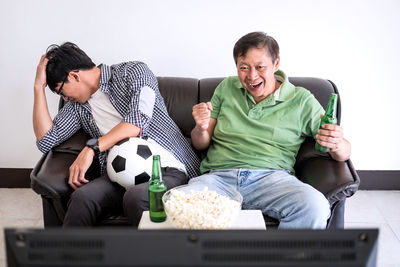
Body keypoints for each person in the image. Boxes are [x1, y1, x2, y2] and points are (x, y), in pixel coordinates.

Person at [190, 32, 351, 229]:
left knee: (315, 206)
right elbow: (201, 142)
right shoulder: (226, 88)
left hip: (272, 180)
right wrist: (201, 127)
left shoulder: (301, 100)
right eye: (243, 68)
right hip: (219, 178)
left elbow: (343, 152)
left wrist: (337, 142)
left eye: (260, 67)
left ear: (276, 64)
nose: (251, 76)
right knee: (180, 204)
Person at [33, 42, 200, 227]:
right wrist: (38, 88)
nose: (63, 98)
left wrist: (92, 147)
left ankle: (156, 254)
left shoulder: (133, 72)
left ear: (74, 76)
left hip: (167, 169)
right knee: (82, 198)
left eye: (60, 91)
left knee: (136, 197)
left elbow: (137, 121)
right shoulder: (77, 107)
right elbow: (45, 141)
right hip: (119, 174)